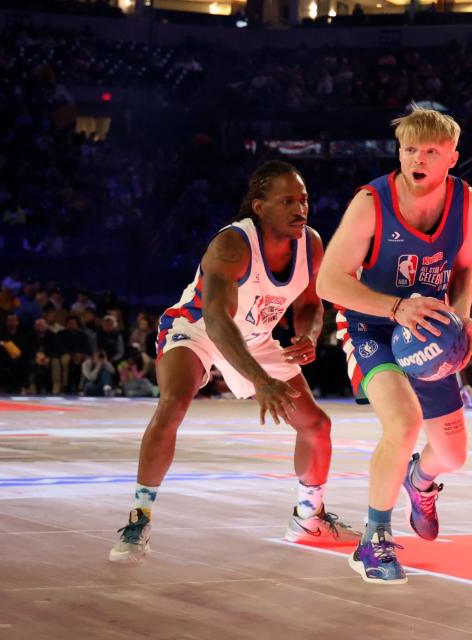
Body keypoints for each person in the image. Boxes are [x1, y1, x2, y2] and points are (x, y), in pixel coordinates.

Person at [109, 161, 359, 563]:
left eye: (304, 200)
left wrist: (310, 336)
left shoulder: (310, 244)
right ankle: (140, 516)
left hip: (256, 337)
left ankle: (309, 518)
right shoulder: (232, 245)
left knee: (316, 424)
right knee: (173, 403)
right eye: (287, 201)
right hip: (198, 329)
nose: (301, 208)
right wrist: (260, 380)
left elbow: (311, 304)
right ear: (259, 207)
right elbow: (218, 322)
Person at [317, 106, 472, 584]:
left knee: (452, 454)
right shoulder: (372, 202)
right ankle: (374, 540)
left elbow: (467, 267)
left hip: (428, 328)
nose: (419, 158)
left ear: (452, 156)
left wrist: (465, 317)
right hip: (372, 325)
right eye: (410, 148)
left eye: (431, 150)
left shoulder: (469, 203)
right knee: (405, 422)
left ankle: (420, 480)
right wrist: (394, 309)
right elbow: (329, 282)